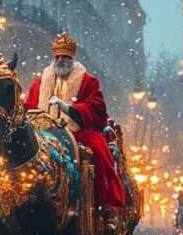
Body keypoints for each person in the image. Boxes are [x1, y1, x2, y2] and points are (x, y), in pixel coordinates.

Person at [24, 30, 126, 211]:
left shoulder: (88, 81)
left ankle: (107, 201)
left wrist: (68, 109)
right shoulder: (39, 83)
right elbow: (29, 108)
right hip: (42, 135)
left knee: (99, 148)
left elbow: (97, 108)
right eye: (58, 57)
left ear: (72, 59)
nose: (61, 60)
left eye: (65, 57)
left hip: (77, 133)